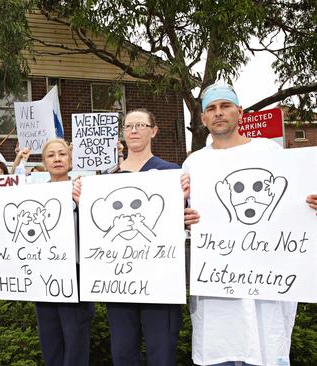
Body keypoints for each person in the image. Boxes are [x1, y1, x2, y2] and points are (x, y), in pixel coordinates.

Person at [183, 82, 317, 366]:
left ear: (240, 112)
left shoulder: (271, 153)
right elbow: (183, 217)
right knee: (221, 351)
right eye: (211, 109)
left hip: (267, 288)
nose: (219, 113)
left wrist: (311, 208)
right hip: (218, 287)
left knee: (266, 349)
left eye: (225, 106)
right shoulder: (195, 164)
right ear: (203, 119)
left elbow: (295, 207)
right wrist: (184, 218)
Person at [103, 109, 181, 366]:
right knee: (123, 352)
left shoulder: (172, 173)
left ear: (153, 130)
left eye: (140, 125)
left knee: (162, 352)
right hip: (120, 279)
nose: (133, 130)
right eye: (128, 126)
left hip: (160, 278)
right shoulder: (106, 179)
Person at [36, 138, 95, 366]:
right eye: (51, 155)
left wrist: (82, 203)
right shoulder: (33, 194)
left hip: (77, 272)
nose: (57, 158)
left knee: (76, 336)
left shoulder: (85, 190)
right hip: (44, 275)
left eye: (62, 154)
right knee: (50, 338)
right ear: (43, 162)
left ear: (70, 160)